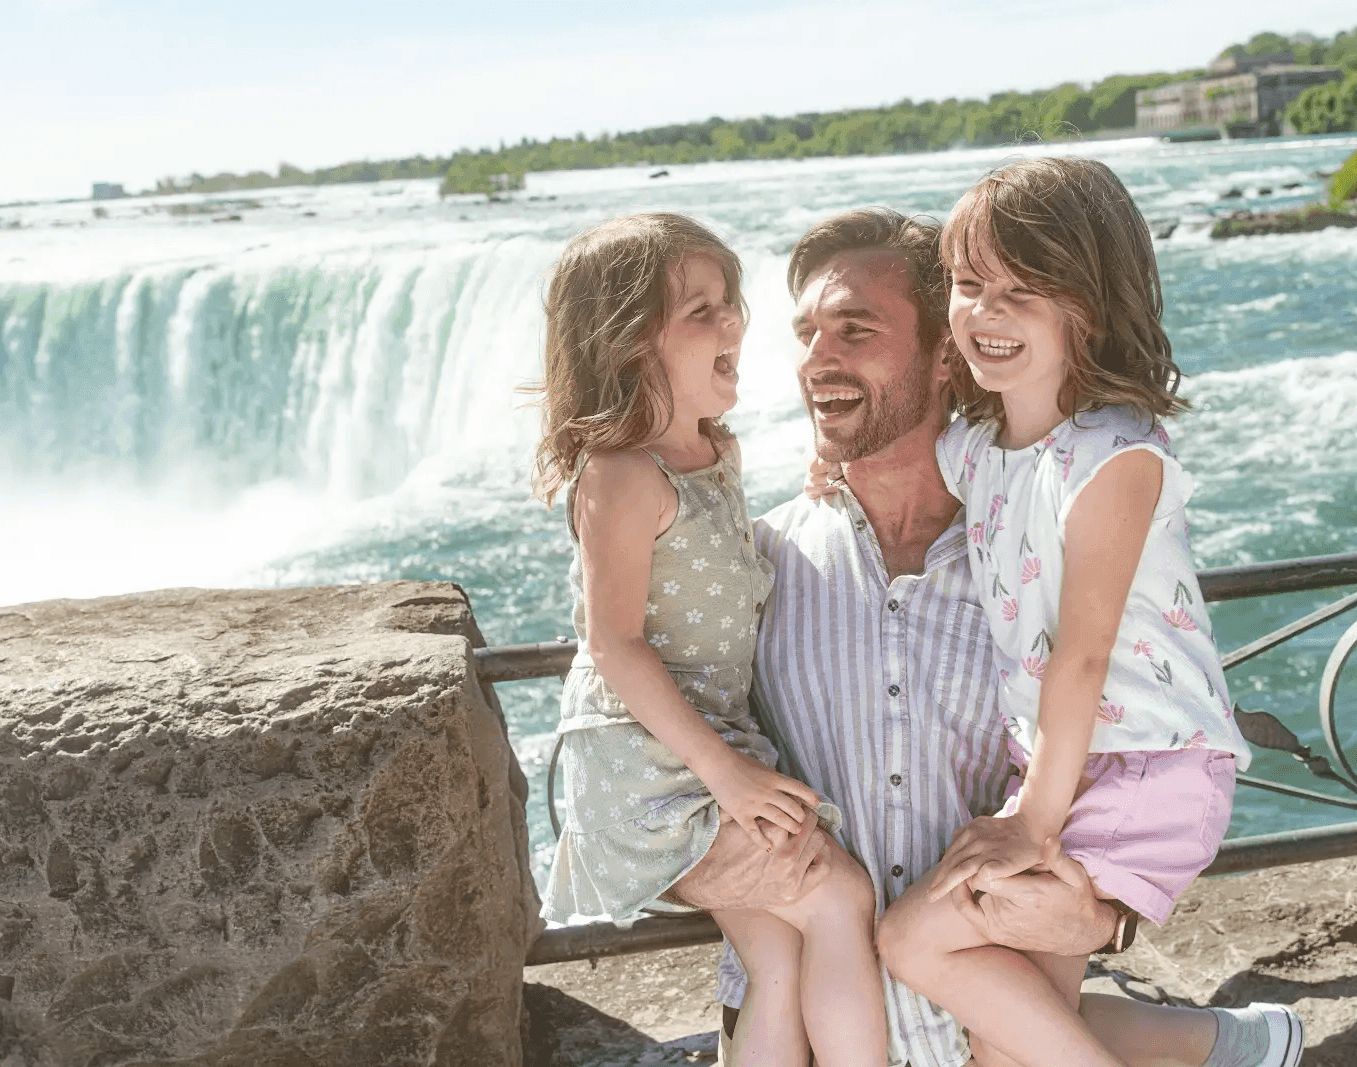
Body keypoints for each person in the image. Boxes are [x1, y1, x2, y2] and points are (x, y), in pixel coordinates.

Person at [705, 205, 1302, 1067]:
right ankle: (1226, 1046)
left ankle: (1227, 1044)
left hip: (986, 1020)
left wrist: (1106, 919)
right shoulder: (757, 563)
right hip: (814, 1029)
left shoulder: (1035, 551)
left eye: (855, 329)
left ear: (946, 351)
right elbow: (653, 749)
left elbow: (1136, 751)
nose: (817, 360)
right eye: (807, 333)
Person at [531, 212, 888, 1067]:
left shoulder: (712, 452)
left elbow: (708, 563)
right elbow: (614, 644)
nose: (735, 324)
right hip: (647, 767)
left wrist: (812, 492)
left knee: (777, 952)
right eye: (702, 312)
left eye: (729, 304)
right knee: (839, 897)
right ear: (626, 343)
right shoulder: (621, 474)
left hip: (707, 750)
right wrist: (726, 774)